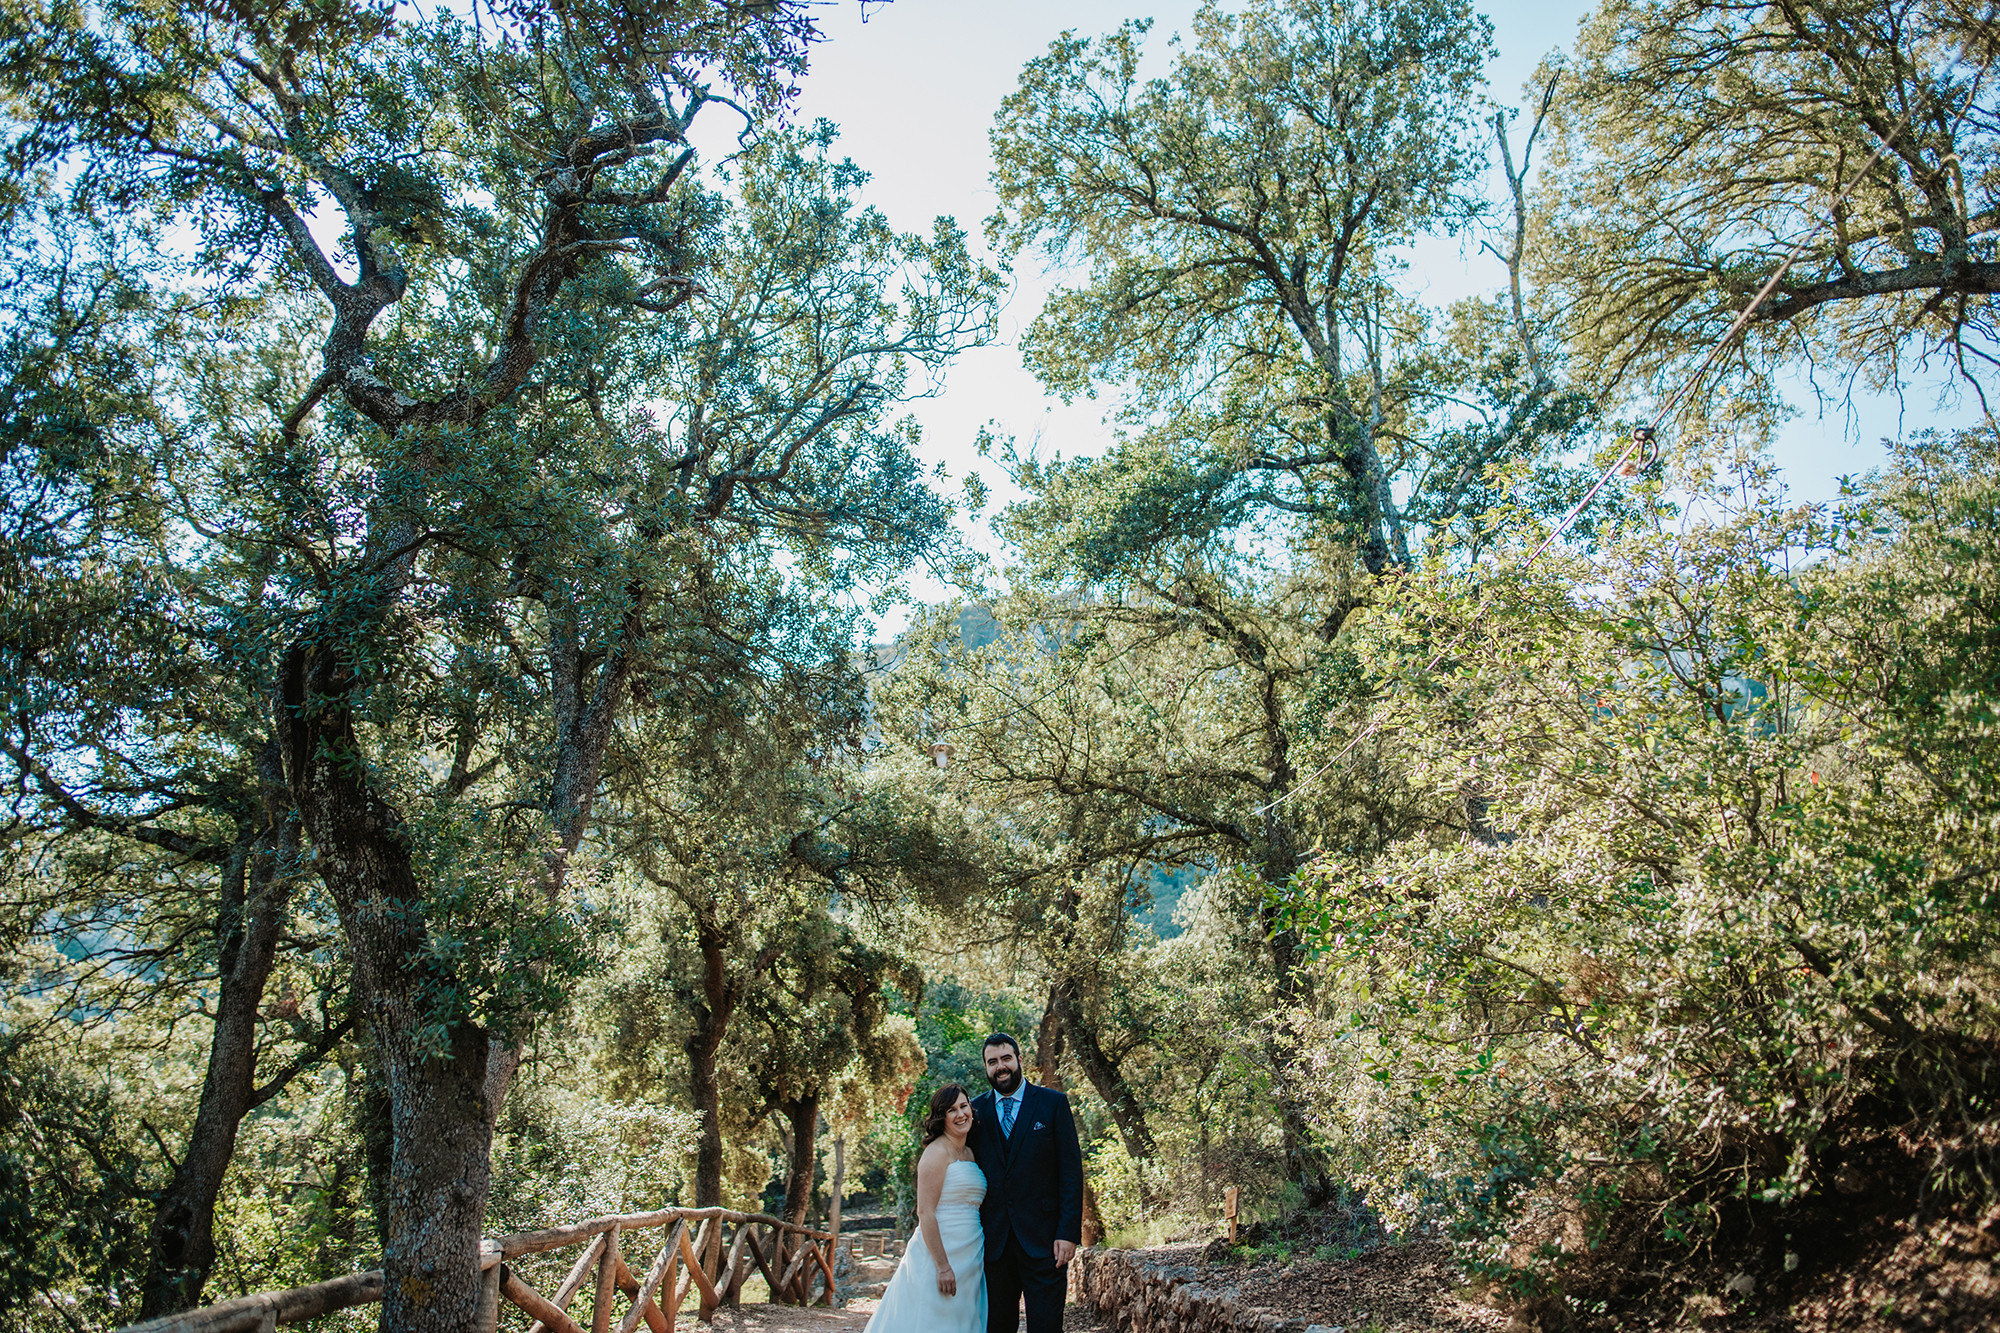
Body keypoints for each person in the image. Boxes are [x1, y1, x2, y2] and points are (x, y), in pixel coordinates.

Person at [970, 1033, 1083, 1333]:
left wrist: (1068, 1233)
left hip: (1046, 1243)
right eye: (992, 1062)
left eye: (1006, 1058)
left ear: (1019, 1060)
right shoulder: (974, 1112)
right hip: (993, 1247)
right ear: (986, 1067)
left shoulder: (1052, 1104)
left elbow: (1071, 1172)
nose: (1000, 1067)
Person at [864, 1083, 988, 1333]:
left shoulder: (970, 1153)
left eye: (964, 1106)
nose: (960, 1114)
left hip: (971, 1255)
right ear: (942, 1117)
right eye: (952, 1110)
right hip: (940, 1255)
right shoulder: (936, 1152)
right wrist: (943, 1266)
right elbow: (925, 1212)